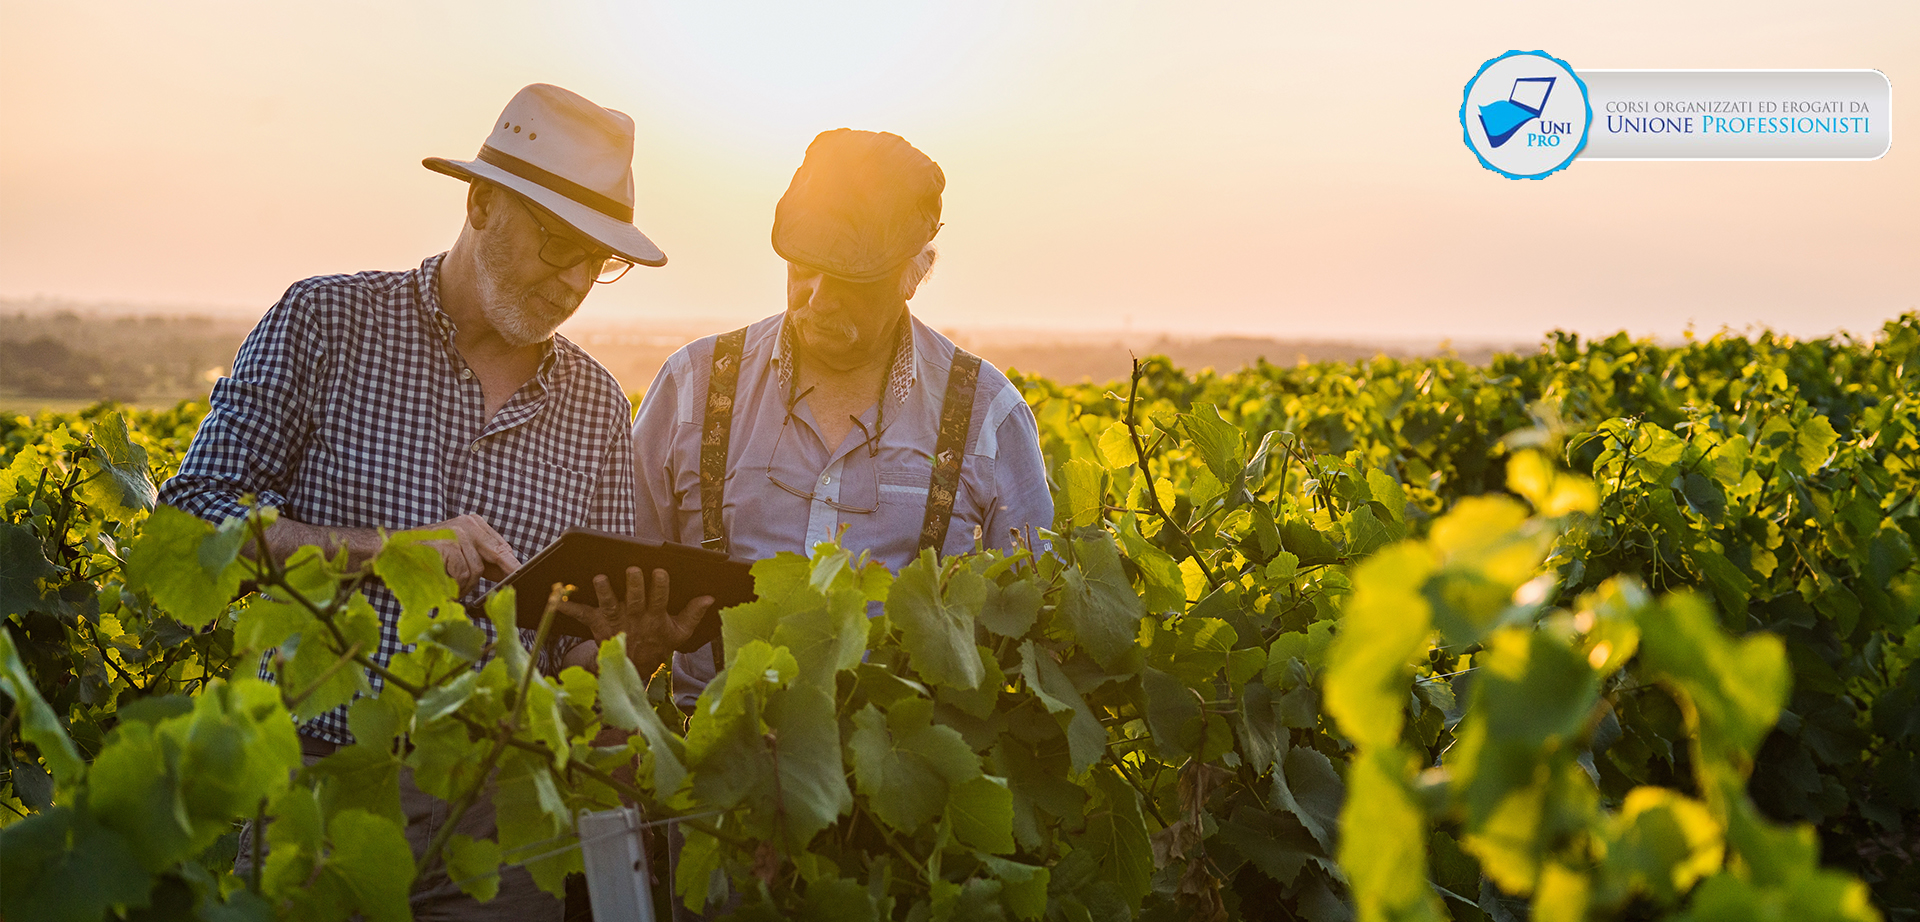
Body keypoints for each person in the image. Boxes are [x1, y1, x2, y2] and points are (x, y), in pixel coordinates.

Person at [158, 83, 707, 921]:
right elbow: (190, 522)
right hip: (321, 790)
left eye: (597, 262)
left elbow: (567, 662)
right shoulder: (327, 323)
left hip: (508, 823)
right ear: (482, 201)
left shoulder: (598, 404)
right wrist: (393, 552)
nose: (571, 282)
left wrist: (625, 650)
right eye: (557, 243)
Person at [630, 128, 1055, 713]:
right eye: (804, 267)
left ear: (915, 274)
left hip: (907, 767)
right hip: (714, 761)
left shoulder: (987, 415)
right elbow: (624, 595)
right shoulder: (692, 388)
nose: (819, 297)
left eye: (854, 278)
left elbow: (1030, 624)